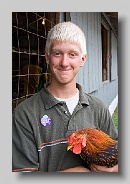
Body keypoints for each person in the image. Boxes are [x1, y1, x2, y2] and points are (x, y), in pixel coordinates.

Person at [12, 21, 118, 172]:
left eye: (72, 54)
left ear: (83, 59)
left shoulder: (98, 108)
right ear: (47, 58)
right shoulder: (25, 114)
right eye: (57, 53)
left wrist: (113, 170)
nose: (64, 62)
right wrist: (79, 172)